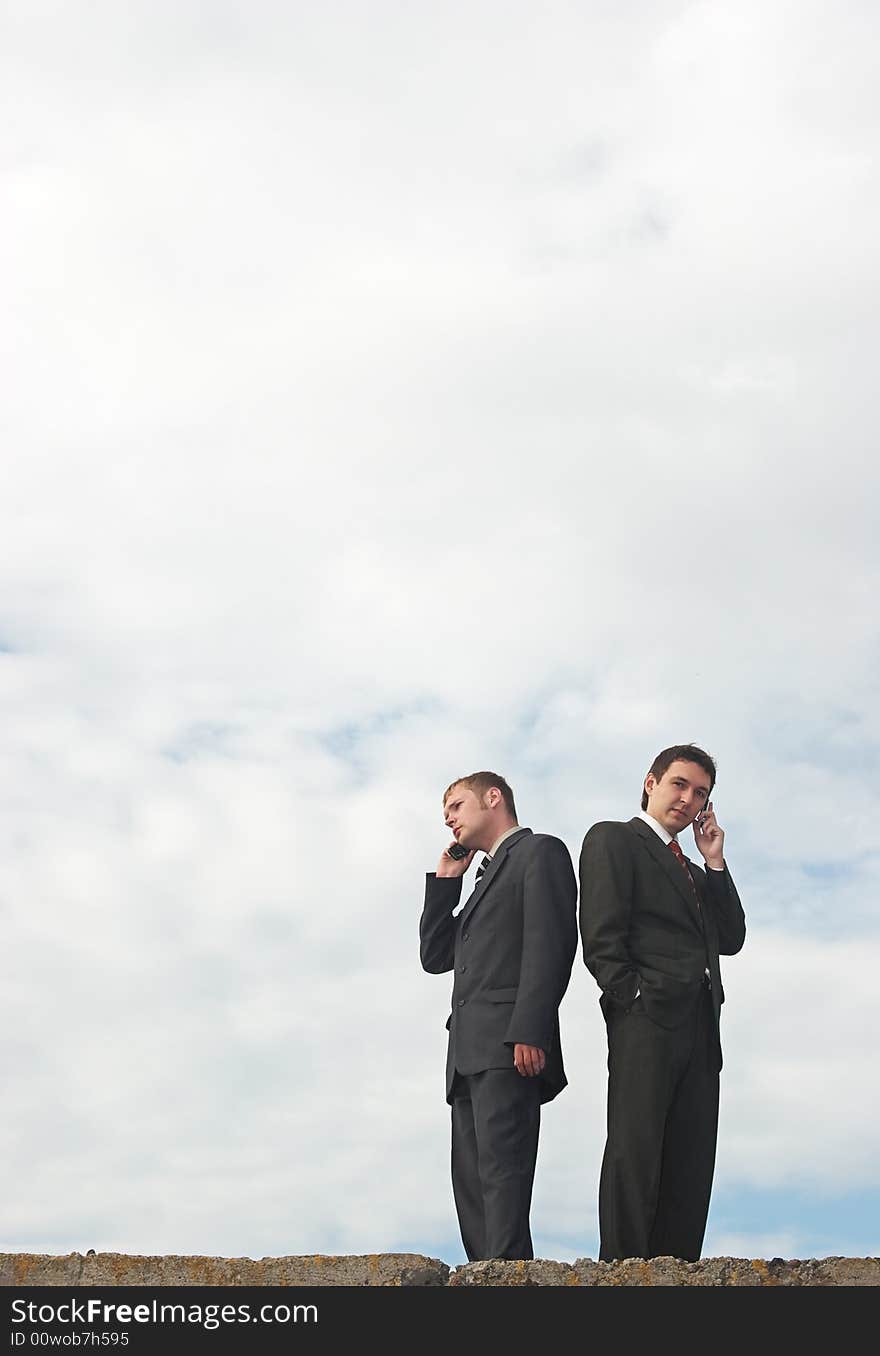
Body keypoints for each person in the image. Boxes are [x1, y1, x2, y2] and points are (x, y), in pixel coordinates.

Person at [579, 743, 745, 1263]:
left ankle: (677, 1274)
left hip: (700, 1026)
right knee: (636, 1149)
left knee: (691, 1159)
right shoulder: (614, 838)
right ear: (651, 782)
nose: (688, 799)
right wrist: (632, 997)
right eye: (679, 784)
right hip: (646, 1018)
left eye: (700, 793)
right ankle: (623, 1272)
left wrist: (714, 861)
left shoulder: (697, 873)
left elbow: (732, 937)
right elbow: (601, 936)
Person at [419, 771, 577, 1261]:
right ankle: (483, 1274)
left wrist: (531, 1030)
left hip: (510, 1045)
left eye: (456, 804)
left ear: (493, 798)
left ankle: (509, 1276)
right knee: (470, 1181)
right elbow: (435, 956)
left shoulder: (539, 852)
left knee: (503, 1176)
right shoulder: (480, 878)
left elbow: (551, 944)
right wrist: (447, 883)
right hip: (466, 1053)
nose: (448, 817)